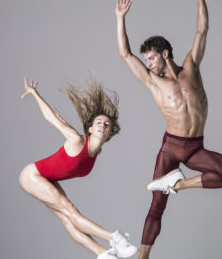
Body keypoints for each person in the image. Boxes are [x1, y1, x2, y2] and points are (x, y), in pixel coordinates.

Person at [115, 0, 222, 258]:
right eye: (147, 60)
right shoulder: (153, 82)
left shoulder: (191, 68)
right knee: (156, 206)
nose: (148, 64)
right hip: (171, 148)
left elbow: (202, 29)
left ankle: (177, 184)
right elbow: (126, 55)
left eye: (151, 58)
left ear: (165, 53)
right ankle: (143, 257)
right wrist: (120, 19)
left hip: (196, 148)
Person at [19, 77, 138, 259]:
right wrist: (35, 93)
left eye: (107, 125)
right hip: (32, 176)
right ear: (90, 128)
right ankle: (115, 238)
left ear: (109, 134)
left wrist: (61, 120)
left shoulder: (96, 153)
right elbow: (50, 116)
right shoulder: (76, 140)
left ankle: (103, 254)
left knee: (67, 219)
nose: (102, 126)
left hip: (48, 179)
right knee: (70, 210)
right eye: (98, 122)